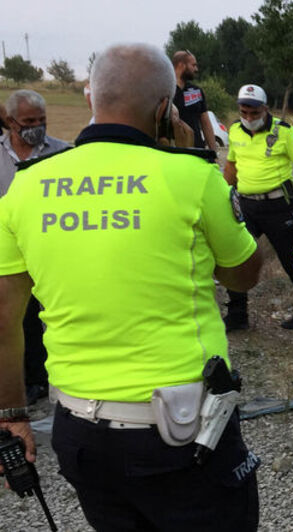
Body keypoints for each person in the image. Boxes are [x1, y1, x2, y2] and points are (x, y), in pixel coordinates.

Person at [0, 43, 263, 530]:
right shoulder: (192, 174)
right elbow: (243, 274)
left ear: (92, 99)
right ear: (165, 110)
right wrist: (190, 158)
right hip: (183, 431)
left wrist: (12, 416)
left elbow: (4, 320)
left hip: (79, 432)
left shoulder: (26, 186)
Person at [223, 84, 293, 331]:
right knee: (236, 256)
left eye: (254, 113)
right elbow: (231, 166)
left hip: (279, 207)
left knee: (291, 260)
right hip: (246, 205)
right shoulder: (234, 130)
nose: (249, 118)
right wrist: (224, 194)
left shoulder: (283, 132)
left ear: (265, 109)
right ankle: (237, 314)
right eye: (244, 112)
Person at [0, 90, 71, 406]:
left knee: (57, 311)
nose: (36, 127)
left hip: (52, 246)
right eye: (29, 121)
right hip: (11, 250)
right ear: (11, 121)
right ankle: (32, 380)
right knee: (21, 318)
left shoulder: (63, 153)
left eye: (42, 120)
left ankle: (61, 371)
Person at [171, 50, 217, 151]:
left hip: (197, 150)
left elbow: (206, 123)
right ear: (181, 65)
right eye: (193, 65)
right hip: (174, 152)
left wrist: (213, 152)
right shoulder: (166, 91)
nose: (196, 69)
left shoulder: (196, 91)